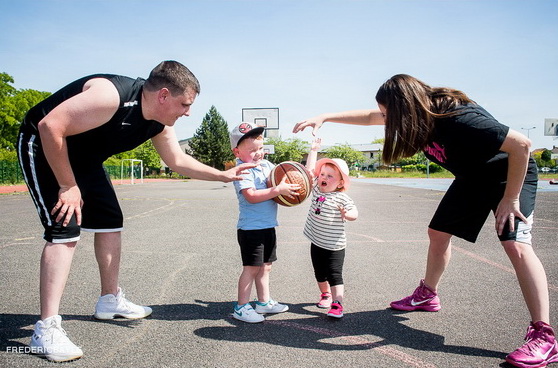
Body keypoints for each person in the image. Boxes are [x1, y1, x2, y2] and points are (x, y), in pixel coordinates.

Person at [293, 74, 556, 368]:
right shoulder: (416, 114)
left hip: (509, 175)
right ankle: (428, 295)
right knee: (438, 233)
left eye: (387, 114)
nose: (383, 119)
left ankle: (544, 336)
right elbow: (368, 117)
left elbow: (522, 144)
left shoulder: (457, 115)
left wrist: (511, 199)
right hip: (474, 178)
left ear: (405, 107)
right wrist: (325, 117)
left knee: (516, 245)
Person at [17, 61, 255, 362]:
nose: (188, 112)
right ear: (164, 96)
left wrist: (223, 175)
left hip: (85, 158)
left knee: (109, 222)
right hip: (45, 145)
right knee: (65, 228)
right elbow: (50, 126)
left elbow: (177, 161)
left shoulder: (159, 122)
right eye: (185, 104)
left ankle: (109, 300)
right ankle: (46, 329)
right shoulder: (110, 96)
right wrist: (67, 186)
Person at [229, 122, 296, 323]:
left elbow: (287, 175)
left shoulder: (267, 166)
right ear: (237, 152)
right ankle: (241, 307)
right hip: (251, 229)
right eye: (252, 150)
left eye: (260, 148)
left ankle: (263, 302)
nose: (258, 154)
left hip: (268, 226)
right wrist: (277, 191)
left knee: (266, 266)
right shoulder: (242, 170)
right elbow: (251, 196)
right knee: (251, 268)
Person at [304, 138, 358, 318]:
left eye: (330, 176)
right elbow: (309, 171)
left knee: (335, 274)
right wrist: (313, 150)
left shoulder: (342, 198)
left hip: (335, 246)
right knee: (319, 273)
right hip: (317, 242)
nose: (323, 178)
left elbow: (354, 212)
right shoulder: (317, 190)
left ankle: (337, 303)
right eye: (323, 174)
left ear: (341, 183)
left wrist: (347, 215)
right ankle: (325, 295)